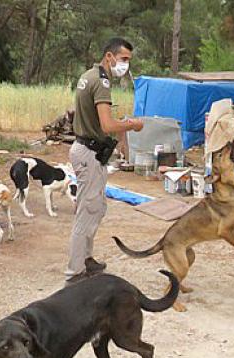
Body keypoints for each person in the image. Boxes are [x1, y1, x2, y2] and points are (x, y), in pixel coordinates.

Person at [65, 38, 144, 283]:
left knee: (95, 207)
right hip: (88, 153)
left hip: (88, 150)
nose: (126, 65)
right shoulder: (102, 82)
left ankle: (86, 259)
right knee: (88, 211)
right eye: (124, 59)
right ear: (109, 56)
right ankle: (75, 272)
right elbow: (107, 125)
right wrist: (131, 124)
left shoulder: (88, 75)